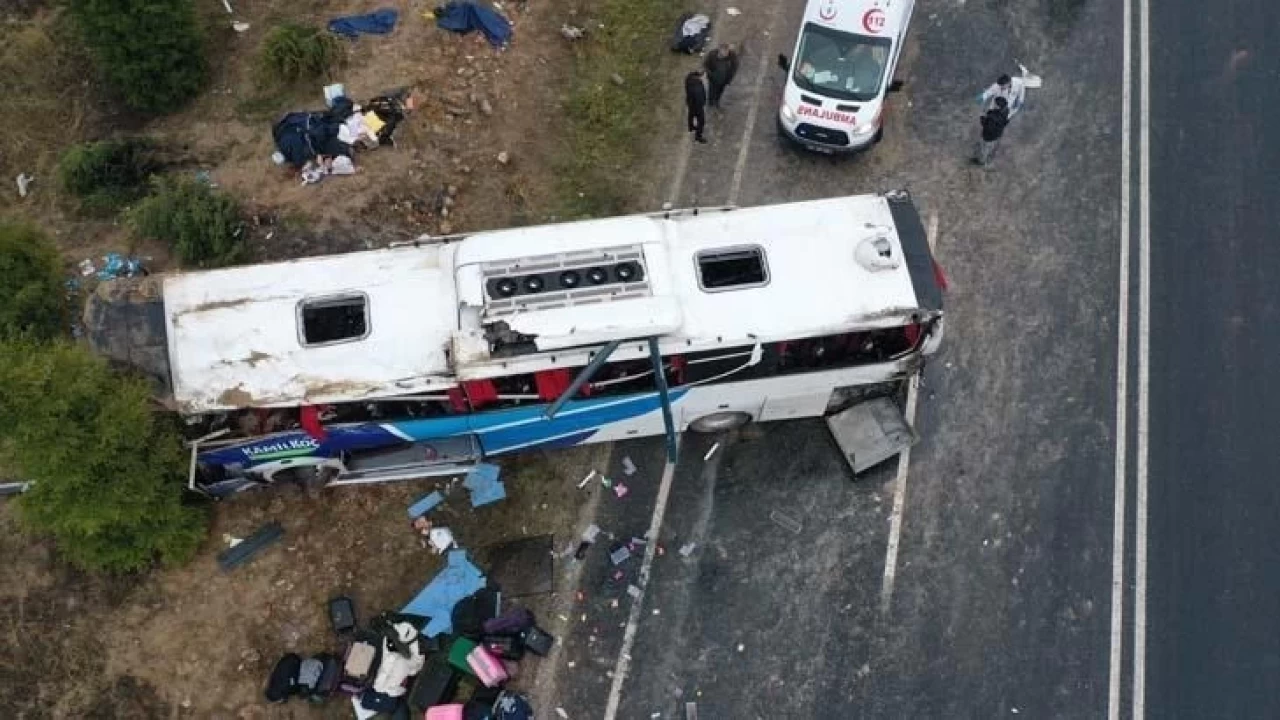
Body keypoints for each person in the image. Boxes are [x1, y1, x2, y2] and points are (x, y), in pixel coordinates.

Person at [973, 96, 1009, 166]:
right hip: (997, 135)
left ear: (998, 106)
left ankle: (982, 161)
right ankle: (989, 155)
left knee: (985, 148)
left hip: (988, 137)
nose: (993, 104)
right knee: (991, 147)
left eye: (995, 104)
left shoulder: (993, 117)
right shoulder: (1006, 111)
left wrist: (982, 118)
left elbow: (987, 127)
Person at [703, 43, 740, 108]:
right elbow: (705, 65)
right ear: (719, 50)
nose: (725, 55)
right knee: (711, 91)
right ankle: (710, 102)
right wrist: (710, 74)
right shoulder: (712, 54)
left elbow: (735, 66)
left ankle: (717, 101)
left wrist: (730, 77)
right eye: (723, 54)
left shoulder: (732, 55)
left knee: (720, 91)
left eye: (726, 53)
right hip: (713, 79)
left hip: (724, 79)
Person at [685, 70, 708, 143]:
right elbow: (700, 97)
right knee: (701, 121)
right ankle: (698, 136)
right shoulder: (697, 86)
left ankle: (691, 126)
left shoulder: (688, 80)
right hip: (697, 106)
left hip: (690, 103)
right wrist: (702, 103)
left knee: (691, 114)